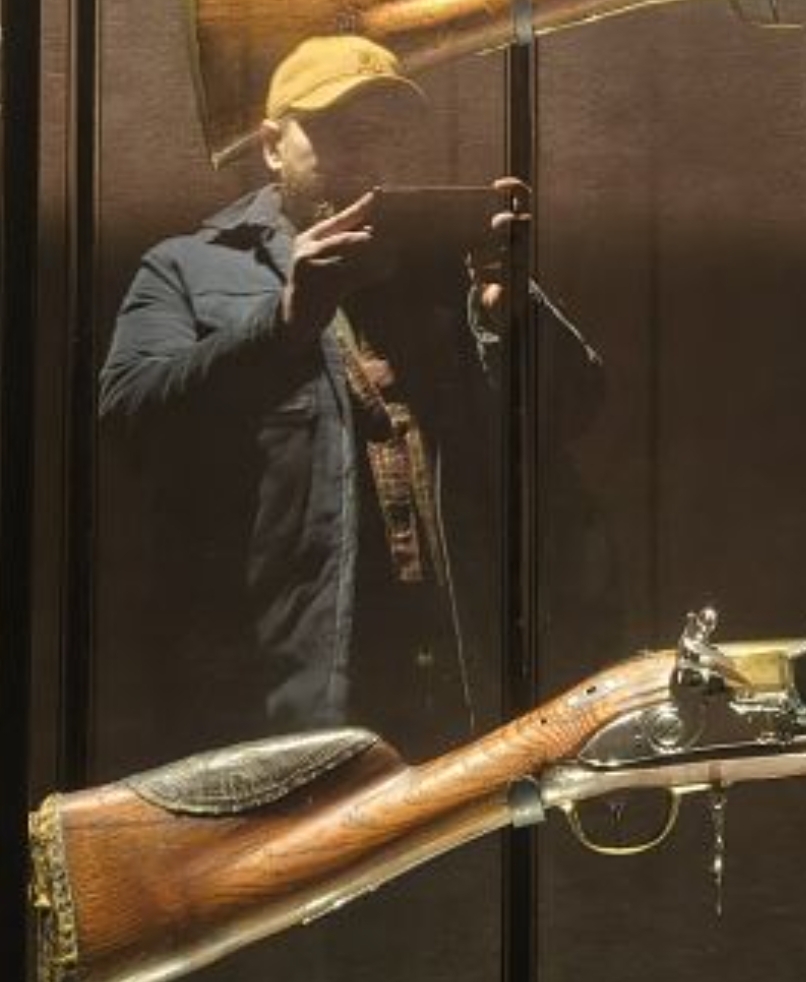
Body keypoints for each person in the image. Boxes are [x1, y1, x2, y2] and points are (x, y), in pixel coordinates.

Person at [98, 34, 606, 765]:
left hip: (461, 686)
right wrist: (284, 321)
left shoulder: (446, 272)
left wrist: (512, 314)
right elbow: (130, 421)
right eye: (337, 130)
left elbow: (577, 411)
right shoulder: (186, 267)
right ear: (272, 147)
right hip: (281, 695)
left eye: (384, 132)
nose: (366, 151)